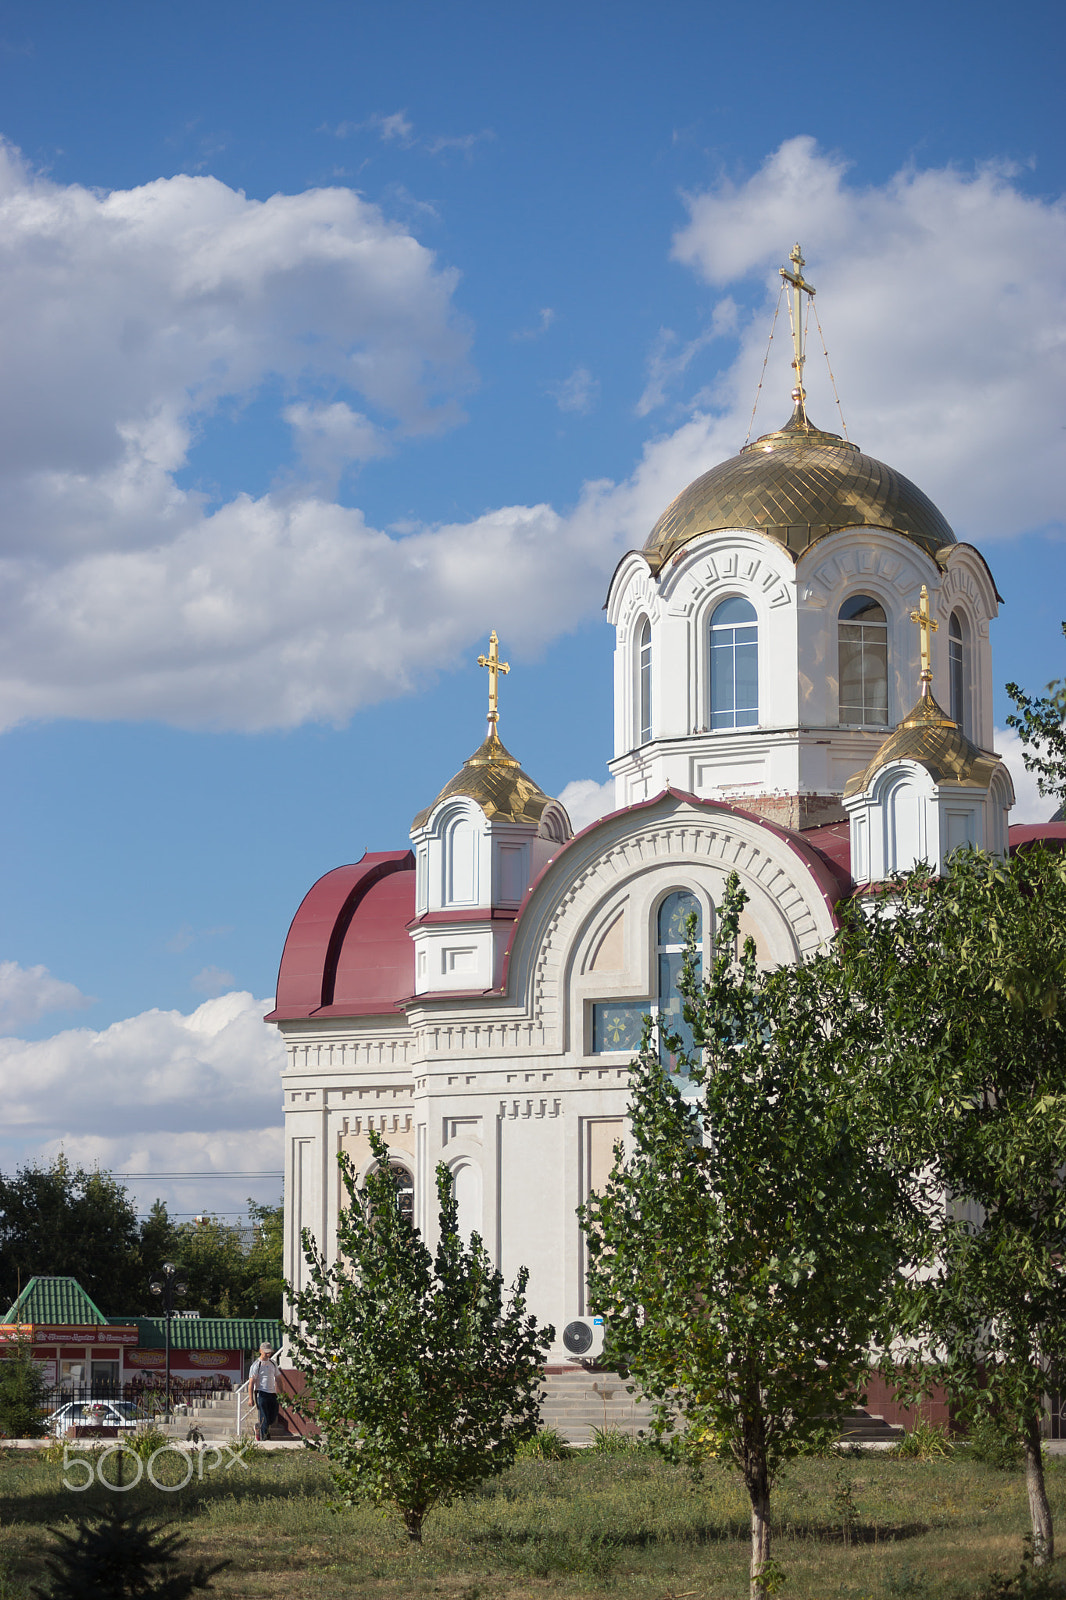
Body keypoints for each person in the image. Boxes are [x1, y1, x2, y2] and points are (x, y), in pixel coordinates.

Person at [247, 1343, 280, 1442]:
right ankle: (265, 1438)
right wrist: (250, 1398)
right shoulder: (256, 1365)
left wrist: (281, 1393)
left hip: (272, 1393)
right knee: (264, 1417)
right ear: (260, 1351)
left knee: (272, 1417)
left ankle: (258, 1427)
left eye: (269, 1352)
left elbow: (278, 1378)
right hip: (261, 1393)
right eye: (265, 1352)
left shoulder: (273, 1363)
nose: (267, 1354)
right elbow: (251, 1383)